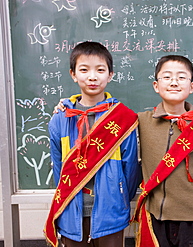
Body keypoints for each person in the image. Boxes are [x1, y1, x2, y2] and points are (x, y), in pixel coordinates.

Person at [44, 41, 140, 247]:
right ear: (73, 74)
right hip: (72, 212)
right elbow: (59, 167)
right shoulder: (61, 118)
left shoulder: (122, 118)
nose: (93, 76)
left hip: (110, 213)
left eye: (100, 70)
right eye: (84, 70)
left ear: (110, 75)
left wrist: (120, 197)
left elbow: (131, 168)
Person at [132, 55, 193, 247]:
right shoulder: (141, 121)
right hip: (154, 215)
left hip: (191, 218)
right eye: (167, 77)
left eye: (181, 77)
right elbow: (109, 119)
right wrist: (66, 106)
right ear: (156, 85)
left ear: (192, 86)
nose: (174, 82)